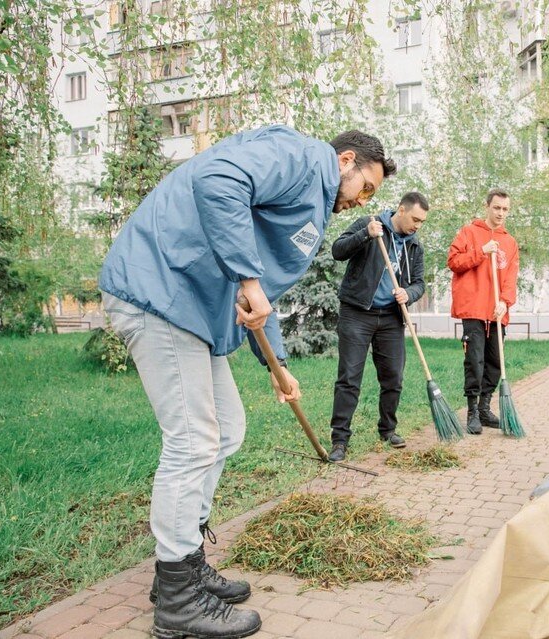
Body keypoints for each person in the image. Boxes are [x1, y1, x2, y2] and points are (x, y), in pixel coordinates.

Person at [99, 125, 395, 639]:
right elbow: (217, 179)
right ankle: (176, 599)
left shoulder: (311, 196)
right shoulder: (304, 157)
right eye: (366, 186)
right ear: (346, 160)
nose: (362, 200)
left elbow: (256, 293)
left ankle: (184, 564)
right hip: (161, 291)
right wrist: (249, 279)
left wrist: (279, 364)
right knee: (192, 441)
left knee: (228, 428)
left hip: (192, 311)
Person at [327, 192, 429, 462]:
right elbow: (338, 250)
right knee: (349, 377)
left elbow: (420, 282)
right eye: (415, 219)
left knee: (394, 377)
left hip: (391, 318)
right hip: (357, 312)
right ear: (401, 210)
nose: (417, 225)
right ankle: (339, 440)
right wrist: (365, 235)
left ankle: (388, 429)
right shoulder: (370, 223)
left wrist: (409, 294)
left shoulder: (414, 245)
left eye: (422, 222)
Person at [448, 188, 520, 435]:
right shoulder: (469, 232)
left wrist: (505, 301)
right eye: (497, 208)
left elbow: (511, 277)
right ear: (487, 206)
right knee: (474, 361)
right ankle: (471, 412)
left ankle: (485, 408)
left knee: (494, 363)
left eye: (505, 209)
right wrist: (481, 251)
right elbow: (454, 262)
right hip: (474, 309)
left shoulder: (510, 242)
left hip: (497, 312)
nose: (501, 213)